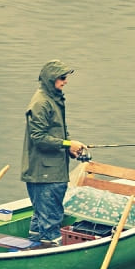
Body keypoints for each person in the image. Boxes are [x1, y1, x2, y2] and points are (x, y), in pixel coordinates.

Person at [22, 60, 89, 244]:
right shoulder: (41, 103)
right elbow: (38, 138)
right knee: (51, 220)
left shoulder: (54, 98)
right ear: (51, 79)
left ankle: (35, 246)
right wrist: (68, 143)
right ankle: (50, 251)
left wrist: (70, 149)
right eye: (62, 78)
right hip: (45, 174)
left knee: (40, 219)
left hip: (52, 171)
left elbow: (58, 129)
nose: (65, 81)